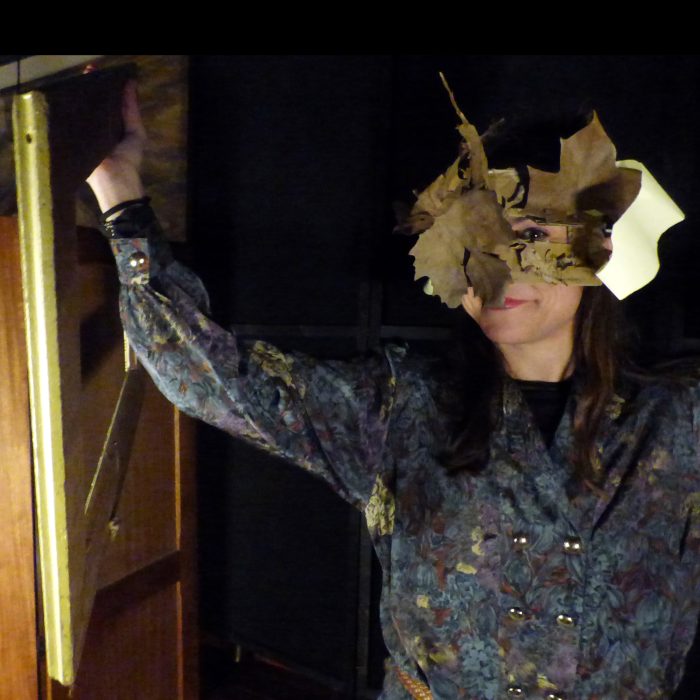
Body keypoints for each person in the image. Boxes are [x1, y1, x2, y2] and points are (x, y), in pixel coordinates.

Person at [87, 82, 700, 700]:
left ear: (597, 245)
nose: (495, 269)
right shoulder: (400, 408)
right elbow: (210, 377)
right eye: (474, 242)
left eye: (532, 237)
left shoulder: (679, 421)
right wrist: (120, 191)